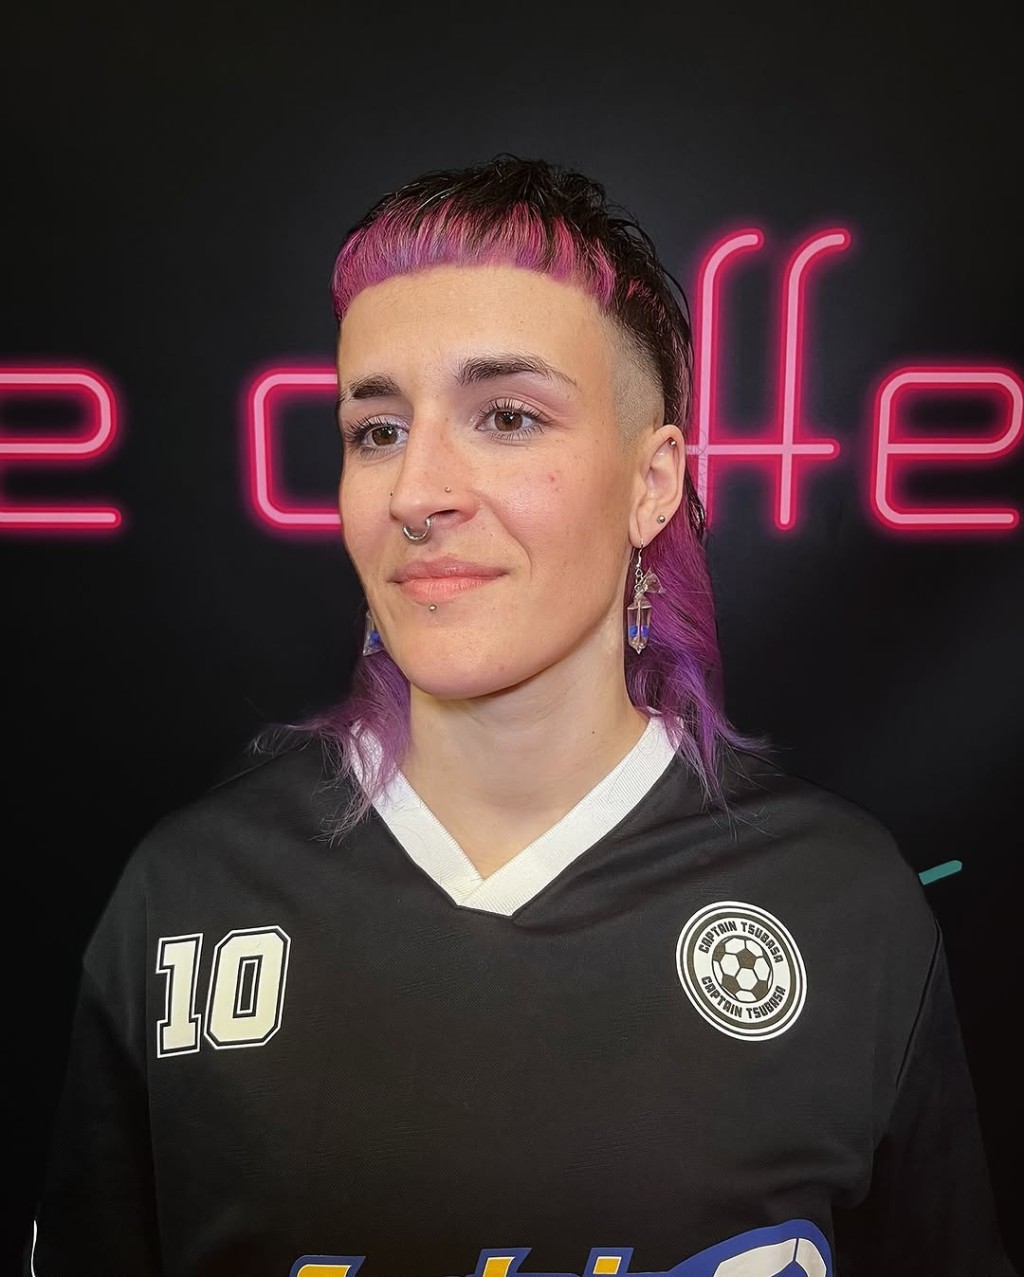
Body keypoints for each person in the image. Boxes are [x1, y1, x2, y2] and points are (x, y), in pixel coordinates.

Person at [28, 154, 1016, 1277]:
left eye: (506, 415)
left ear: (652, 484)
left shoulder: (845, 907)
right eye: (376, 429)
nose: (417, 492)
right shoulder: (187, 897)